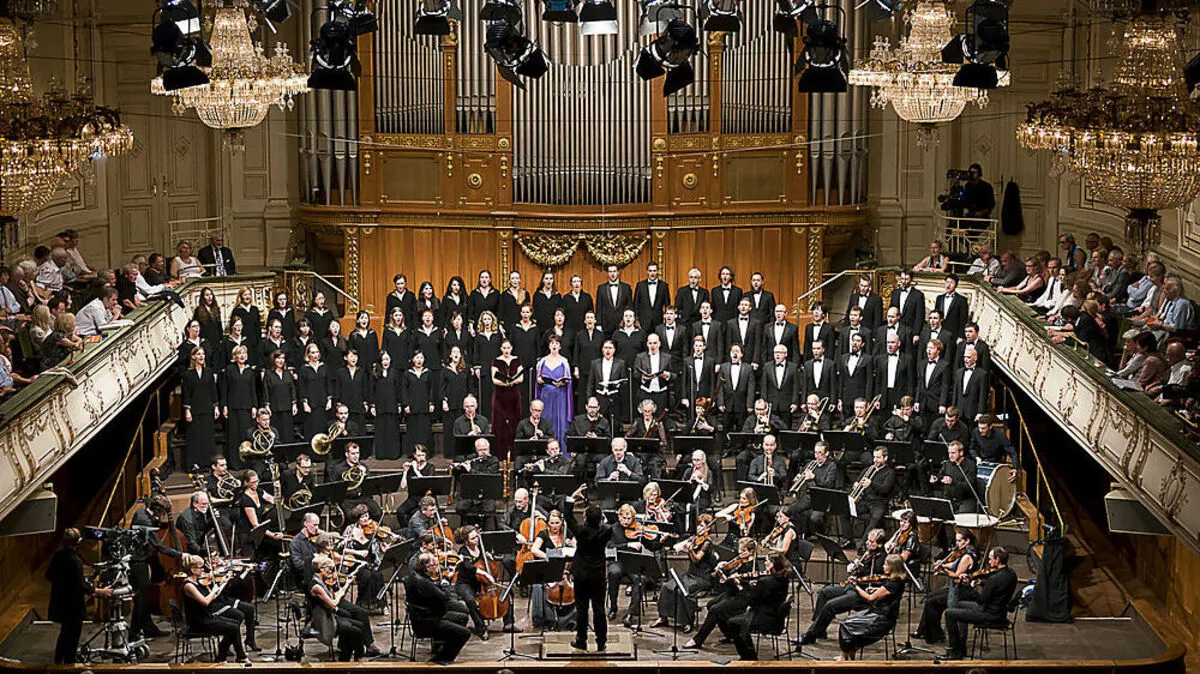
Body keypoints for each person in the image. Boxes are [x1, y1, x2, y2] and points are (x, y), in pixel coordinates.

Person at [684, 551, 790, 661]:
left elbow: (750, 601)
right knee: (717, 608)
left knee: (732, 622)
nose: (765, 562)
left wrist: (739, 585)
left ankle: (748, 657)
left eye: (767, 560)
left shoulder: (765, 581)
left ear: (772, 564)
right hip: (773, 613)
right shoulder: (783, 579)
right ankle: (736, 643)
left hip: (762, 615)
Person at [796, 528, 888, 645]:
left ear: (880, 544)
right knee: (825, 592)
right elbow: (861, 573)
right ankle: (819, 630)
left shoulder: (881, 560)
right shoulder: (869, 554)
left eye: (871, 542)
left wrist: (860, 571)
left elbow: (872, 579)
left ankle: (810, 635)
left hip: (862, 595)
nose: (868, 544)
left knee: (830, 605)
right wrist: (856, 569)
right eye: (868, 541)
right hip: (853, 588)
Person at [46, 528, 114, 664]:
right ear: (77, 543)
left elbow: (48, 575)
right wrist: (99, 591)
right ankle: (69, 666)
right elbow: (80, 585)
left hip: (60, 602)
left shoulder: (58, 555)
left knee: (64, 635)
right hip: (73, 606)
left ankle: (58, 665)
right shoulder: (74, 561)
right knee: (72, 638)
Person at [941, 546, 1020, 660]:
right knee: (959, 604)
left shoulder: (995, 579)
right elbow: (996, 588)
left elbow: (981, 600)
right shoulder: (1011, 574)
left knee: (949, 613)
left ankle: (954, 652)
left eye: (990, 559)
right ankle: (961, 647)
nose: (988, 561)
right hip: (1000, 612)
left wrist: (968, 586)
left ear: (997, 560)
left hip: (990, 615)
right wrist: (980, 582)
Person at [563, 487, 613, 651]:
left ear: (585, 519)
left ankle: (581, 640)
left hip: (582, 575)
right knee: (599, 609)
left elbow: (568, 517)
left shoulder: (581, 531)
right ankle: (601, 641)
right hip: (598, 575)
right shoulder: (606, 531)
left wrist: (571, 498)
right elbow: (606, 523)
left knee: (581, 609)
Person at [179, 553, 254, 662]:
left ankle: (224, 656)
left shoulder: (198, 581)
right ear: (193, 569)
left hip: (207, 616)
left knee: (235, 623)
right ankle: (239, 656)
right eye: (201, 568)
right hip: (199, 621)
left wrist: (222, 583)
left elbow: (213, 597)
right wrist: (213, 590)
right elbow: (205, 602)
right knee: (232, 627)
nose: (203, 570)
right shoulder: (189, 586)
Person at [913, 528, 979, 644]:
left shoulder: (967, 556)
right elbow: (954, 564)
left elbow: (956, 575)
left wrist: (943, 570)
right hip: (956, 588)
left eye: (959, 541)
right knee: (930, 597)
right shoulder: (965, 552)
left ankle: (934, 634)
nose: (957, 544)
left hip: (961, 591)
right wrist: (942, 563)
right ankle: (930, 631)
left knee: (931, 602)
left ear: (967, 541)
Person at [836, 553, 907, 661]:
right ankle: (849, 652)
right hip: (882, 612)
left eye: (886, 564)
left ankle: (844, 656)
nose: (883, 566)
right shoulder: (898, 580)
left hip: (881, 618)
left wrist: (856, 586)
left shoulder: (892, 583)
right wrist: (876, 590)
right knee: (849, 623)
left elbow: (870, 598)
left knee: (845, 625)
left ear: (893, 567)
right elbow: (888, 594)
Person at [653, 513, 717, 632]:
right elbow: (678, 546)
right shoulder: (695, 538)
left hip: (702, 577)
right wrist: (679, 546)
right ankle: (663, 617)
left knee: (684, 591)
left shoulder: (707, 543)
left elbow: (697, 559)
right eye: (698, 525)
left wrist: (690, 549)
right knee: (667, 586)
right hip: (691, 574)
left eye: (702, 526)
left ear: (708, 528)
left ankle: (688, 621)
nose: (699, 528)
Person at [310, 553, 375, 661]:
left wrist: (346, 584)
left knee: (360, 625)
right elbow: (333, 603)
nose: (331, 571)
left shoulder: (322, 582)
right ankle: (357, 658)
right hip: (324, 622)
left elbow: (334, 596)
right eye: (329, 569)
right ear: (322, 569)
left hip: (331, 616)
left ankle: (346, 657)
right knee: (356, 631)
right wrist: (341, 592)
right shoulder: (316, 586)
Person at [181, 347, 220, 469]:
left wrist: (216, 407)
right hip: (194, 409)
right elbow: (186, 393)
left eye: (203, 354)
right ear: (193, 357)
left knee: (207, 436)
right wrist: (187, 410)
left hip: (207, 408)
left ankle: (208, 463)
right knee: (195, 437)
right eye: (198, 354)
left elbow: (213, 391)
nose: (202, 356)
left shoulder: (208, 372)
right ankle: (194, 463)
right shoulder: (188, 374)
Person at [534, 334, 573, 445]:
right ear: (549, 345)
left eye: (556, 343)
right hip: (546, 395)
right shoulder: (542, 361)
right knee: (547, 419)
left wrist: (563, 382)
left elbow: (568, 380)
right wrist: (540, 380)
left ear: (560, 346)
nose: (554, 345)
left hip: (560, 395)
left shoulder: (564, 361)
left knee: (559, 420)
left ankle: (560, 447)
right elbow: (538, 378)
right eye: (552, 343)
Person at [403, 350, 436, 452]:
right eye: (417, 358)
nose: (419, 360)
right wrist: (406, 404)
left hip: (424, 406)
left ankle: (426, 452)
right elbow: (404, 390)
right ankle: (413, 452)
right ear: (413, 359)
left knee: (424, 430)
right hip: (412, 406)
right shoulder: (408, 373)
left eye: (421, 358)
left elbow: (432, 389)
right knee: (413, 430)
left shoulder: (428, 372)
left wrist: (431, 403)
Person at [596, 263, 634, 334]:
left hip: (622, 325)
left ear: (618, 272)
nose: (612, 274)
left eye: (614, 271)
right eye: (610, 272)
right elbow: (599, 307)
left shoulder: (626, 288)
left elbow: (630, 307)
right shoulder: (601, 288)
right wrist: (598, 324)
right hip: (606, 326)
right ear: (607, 273)